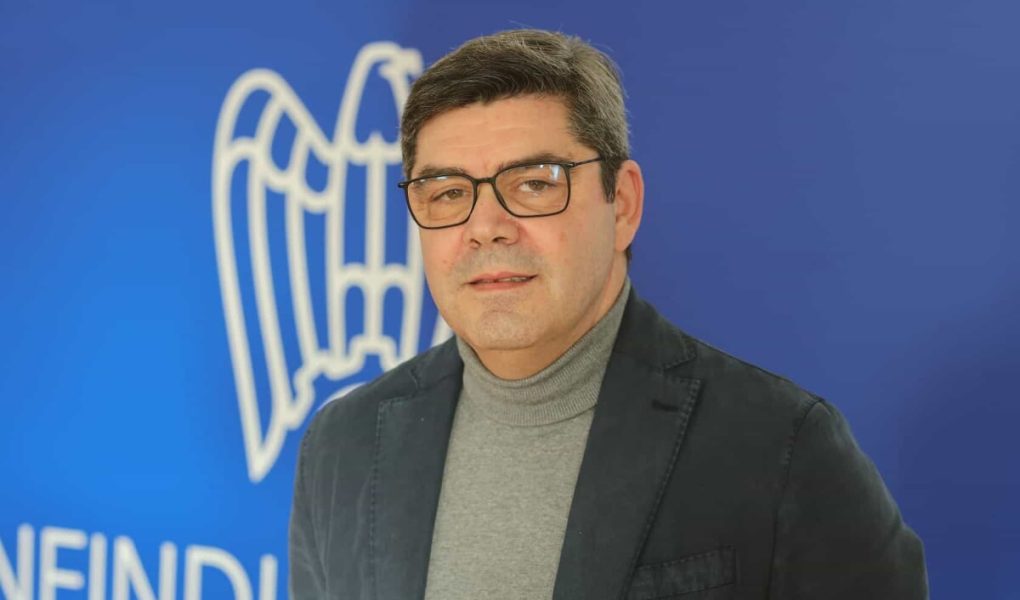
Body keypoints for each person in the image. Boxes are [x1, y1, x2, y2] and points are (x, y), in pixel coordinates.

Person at [289, 29, 928, 599]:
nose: (485, 227)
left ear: (621, 204)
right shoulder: (344, 445)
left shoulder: (783, 447)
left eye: (533, 183)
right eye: (449, 192)